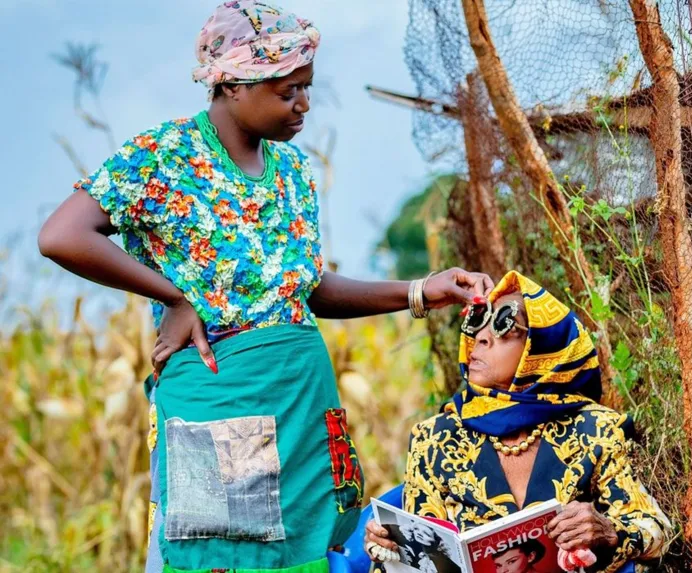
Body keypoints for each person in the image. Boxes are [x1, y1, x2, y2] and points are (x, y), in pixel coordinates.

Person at [37, 3, 493, 572]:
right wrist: (176, 298)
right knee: (213, 552)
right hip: (221, 399)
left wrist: (423, 290)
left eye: (307, 88)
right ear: (231, 84)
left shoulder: (294, 172)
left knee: (308, 553)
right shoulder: (164, 157)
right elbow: (62, 235)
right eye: (287, 92)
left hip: (301, 402)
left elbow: (309, 291)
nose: (303, 105)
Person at [364, 271, 671, 573]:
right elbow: (421, 551)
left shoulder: (595, 429)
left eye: (504, 324)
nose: (481, 337)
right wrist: (391, 551)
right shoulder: (434, 439)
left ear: (541, 346)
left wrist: (609, 533)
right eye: (478, 321)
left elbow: (654, 530)